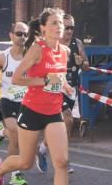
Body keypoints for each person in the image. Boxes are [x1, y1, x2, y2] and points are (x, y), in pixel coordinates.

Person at [0, 8, 81, 185]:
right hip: (31, 110)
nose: (59, 27)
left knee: (61, 161)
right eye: (54, 23)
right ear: (42, 28)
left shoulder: (65, 51)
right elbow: (18, 78)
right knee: (25, 162)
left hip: (54, 112)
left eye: (61, 23)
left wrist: (65, 86)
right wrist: (43, 81)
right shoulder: (37, 50)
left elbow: (58, 80)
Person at [36, 14, 88, 174]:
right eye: (67, 27)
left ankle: (43, 148)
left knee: (61, 125)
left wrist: (82, 63)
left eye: (72, 27)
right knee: (68, 119)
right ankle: (64, 161)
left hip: (70, 90)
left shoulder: (77, 44)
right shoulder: (52, 45)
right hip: (55, 89)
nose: (70, 31)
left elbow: (86, 65)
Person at [0, 22, 29, 185]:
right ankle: (15, 174)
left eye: (25, 34)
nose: (22, 37)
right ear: (11, 35)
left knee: (21, 137)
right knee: (16, 134)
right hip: (8, 101)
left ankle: (0, 131)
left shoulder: (30, 56)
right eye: (19, 34)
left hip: (26, 103)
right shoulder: (2, 57)